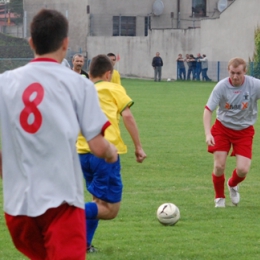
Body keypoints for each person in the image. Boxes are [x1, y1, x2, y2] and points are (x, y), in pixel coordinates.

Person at [0, 9, 118, 260]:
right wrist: (111, 153)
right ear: (65, 44)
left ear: (31, 43)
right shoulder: (78, 84)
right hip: (61, 204)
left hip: (18, 208)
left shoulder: (5, 83)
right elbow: (98, 145)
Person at [76, 54, 147, 253]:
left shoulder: (82, 89)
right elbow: (128, 115)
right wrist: (138, 147)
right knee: (110, 210)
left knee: (97, 202)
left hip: (82, 152)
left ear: (90, 73)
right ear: (108, 74)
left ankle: (84, 245)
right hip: (106, 153)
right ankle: (66, 212)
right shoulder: (114, 87)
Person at [203, 57, 260, 208]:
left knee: (243, 169)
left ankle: (232, 184)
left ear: (245, 72)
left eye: (238, 73)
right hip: (222, 128)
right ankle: (219, 199)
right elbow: (208, 110)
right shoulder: (221, 87)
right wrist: (208, 134)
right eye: (232, 73)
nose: (235, 76)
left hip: (245, 131)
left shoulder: (254, 85)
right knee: (219, 166)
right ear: (228, 71)